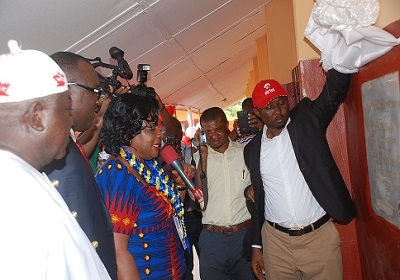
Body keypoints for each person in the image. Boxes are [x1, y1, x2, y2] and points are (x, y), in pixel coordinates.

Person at [0, 40, 111, 279]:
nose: (70, 123)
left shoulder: (26, 174)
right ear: (38, 117)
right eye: (65, 110)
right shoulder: (12, 196)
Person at [244, 69, 356, 280]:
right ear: (257, 112)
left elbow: (335, 91)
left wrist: (338, 59)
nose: (278, 111)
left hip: (318, 240)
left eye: (282, 103)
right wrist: (257, 245)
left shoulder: (306, 123)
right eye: (269, 107)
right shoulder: (252, 150)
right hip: (276, 244)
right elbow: (260, 197)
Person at [96, 91, 192, 279]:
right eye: (151, 128)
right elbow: (118, 252)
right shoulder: (117, 175)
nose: (160, 135)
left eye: (159, 128)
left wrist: (180, 187)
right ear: (126, 131)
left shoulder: (148, 166)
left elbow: (168, 215)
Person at [41, 52, 118, 279]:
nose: (98, 100)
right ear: (68, 90)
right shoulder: (52, 152)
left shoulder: (66, 143)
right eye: (95, 92)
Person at [193, 107, 255, 279]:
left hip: (244, 236)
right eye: (208, 131)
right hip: (213, 239)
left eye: (218, 129)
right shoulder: (197, 159)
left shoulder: (245, 152)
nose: (214, 135)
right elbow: (198, 200)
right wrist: (202, 156)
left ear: (227, 126)